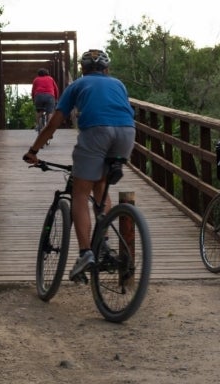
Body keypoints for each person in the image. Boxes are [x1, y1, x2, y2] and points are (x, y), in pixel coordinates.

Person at [22, 49, 135, 282]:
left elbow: (54, 122)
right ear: (107, 70)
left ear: (82, 70)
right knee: (100, 185)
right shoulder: (119, 84)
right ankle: (103, 244)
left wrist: (33, 151)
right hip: (127, 133)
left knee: (80, 193)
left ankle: (85, 253)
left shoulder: (77, 85)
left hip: (96, 133)